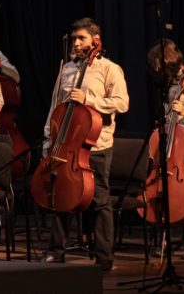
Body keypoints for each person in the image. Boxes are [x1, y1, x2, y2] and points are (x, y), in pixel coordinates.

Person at [40, 18, 127, 272]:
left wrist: (89, 98)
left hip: (95, 145)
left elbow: (122, 103)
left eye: (82, 39)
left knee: (100, 200)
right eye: (74, 38)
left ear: (95, 41)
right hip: (65, 143)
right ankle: (56, 251)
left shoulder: (109, 68)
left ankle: (104, 258)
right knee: (61, 195)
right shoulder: (66, 69)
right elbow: (56, 106)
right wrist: (49, 137)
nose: (76, 43)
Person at [146, 39, 184, 260]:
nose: (154, 68)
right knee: (165, 189)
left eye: (156, 62)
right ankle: (163, 240)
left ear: (166, 60)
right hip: (172, 139)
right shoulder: (169, 82)